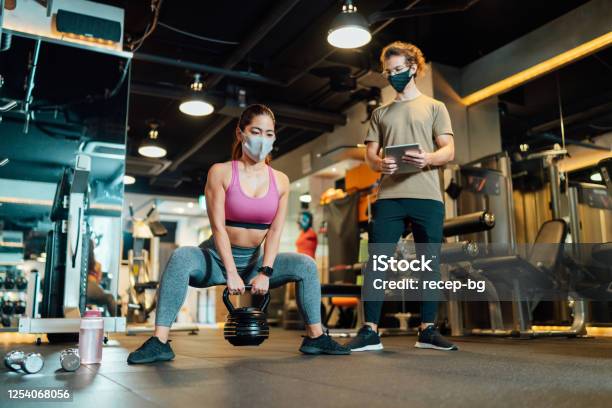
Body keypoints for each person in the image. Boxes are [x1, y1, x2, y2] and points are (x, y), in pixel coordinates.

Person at [128, 104, 350, 364]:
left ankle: (315, 337)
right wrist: (231, 271)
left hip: (255, 262)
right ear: (240, 133)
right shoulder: (221, 172)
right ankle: (160, 342)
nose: (263, 139)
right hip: (217, 259)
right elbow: (218, 227)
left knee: (306, 265)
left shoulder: (280, 180)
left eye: (269, 134)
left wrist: (266, 271)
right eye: (256, 131)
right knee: (182, 257)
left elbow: (276, 230)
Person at [347, 42, 458, 352]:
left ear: (413, 68)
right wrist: (380, 163)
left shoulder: (435, 107)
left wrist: (430, 159)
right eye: (389, 71)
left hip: (428, 196)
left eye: (399, 69)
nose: (394, 75)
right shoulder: (381, 113)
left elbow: (448, 149)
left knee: (429, 264)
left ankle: (427, 330)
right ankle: (370, 331)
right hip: (390, 197)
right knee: (377, 261)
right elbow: (370, 155)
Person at [86, 239, 117, 316]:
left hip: (82, 290)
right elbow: (98, 281)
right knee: (110, 298)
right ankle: (115, 322)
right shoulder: (97, 265)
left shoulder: (80, 263)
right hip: (92, 288)